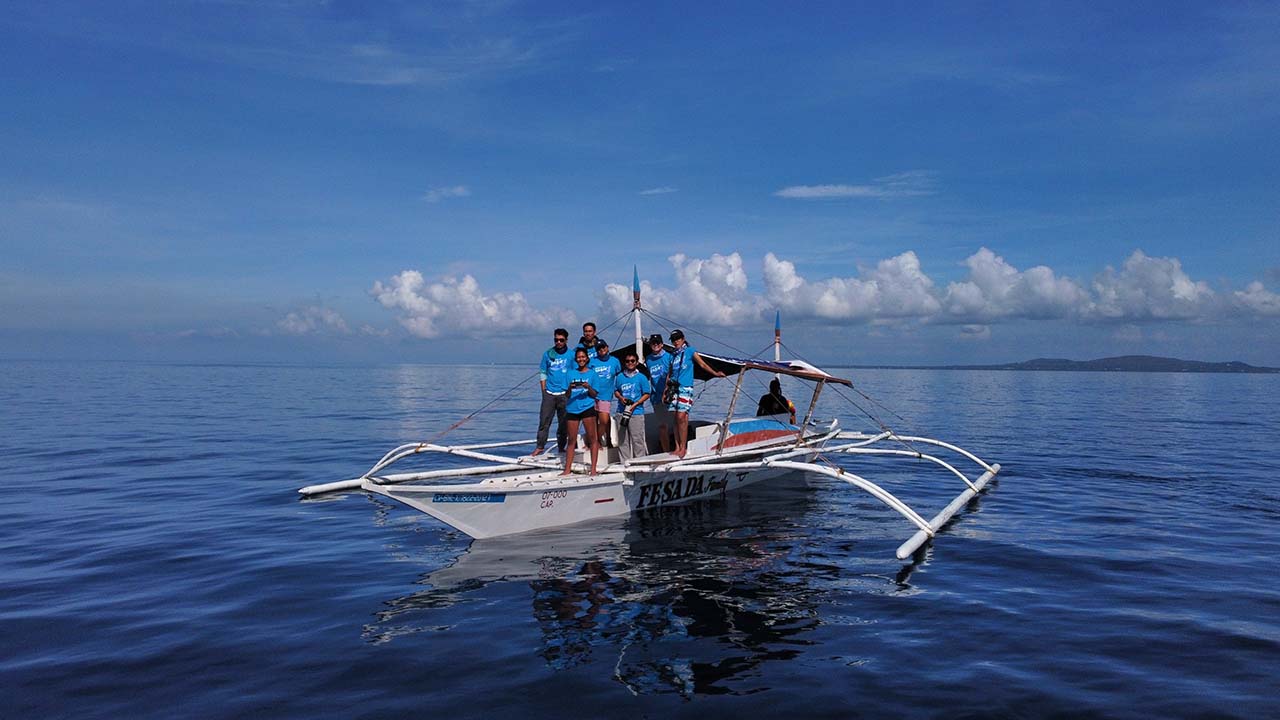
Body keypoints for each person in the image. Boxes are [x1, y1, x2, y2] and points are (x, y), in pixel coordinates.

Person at [663, 329, 725, 458]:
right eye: (674, 340)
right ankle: (677, 446)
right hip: (673, 388)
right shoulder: (672, 355)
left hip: (685, 387)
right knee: (675, 417)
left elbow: (702, 364)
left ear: (683, 339)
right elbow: (670, 373)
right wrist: (665, 390)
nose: (676, 342)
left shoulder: (690, 351)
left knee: (682, 416)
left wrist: (715, 373)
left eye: (678, 339)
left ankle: (683, 447)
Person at [532, 328, 572, 457]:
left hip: (564, 394)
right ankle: (540, 447)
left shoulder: (571, 355)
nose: (558, 342)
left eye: (561, 340)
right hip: (549, 393)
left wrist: (570, 391)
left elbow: (575, 372)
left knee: (563, 424)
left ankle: (561, 447)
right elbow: (543, 372)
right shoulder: (548, 354)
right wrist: (544, 391)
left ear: (566, 340)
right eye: (556, 340)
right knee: (544, 422)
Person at [561, 347, 600, 475]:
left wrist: (588, 387)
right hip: (572, 408)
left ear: (587, 358)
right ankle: (567, 469)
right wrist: (570, 388)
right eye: (579, 357)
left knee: (592, 438)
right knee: (571, 439)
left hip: (587, 407)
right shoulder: (570, 373)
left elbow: (595, 394)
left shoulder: (592, 374)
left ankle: (593, 469)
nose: (581, 359)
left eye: (583, 357)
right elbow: (566, 395)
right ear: (576, 359)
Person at [612, 350, 652, 462]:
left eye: (632, 361)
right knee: (622, 440)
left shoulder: (641, 377)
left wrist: (636, 403)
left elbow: (647, 393)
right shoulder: (619, 377)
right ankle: (625, 462)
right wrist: (621, 398)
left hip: (636, 412)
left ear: (636, 362)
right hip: (621, 411)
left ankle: (640, 462)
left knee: (637, 439)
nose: (630, 363)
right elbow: (616, 391)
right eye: (627, 361)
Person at [644, 334, 674, 453]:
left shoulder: (669, 357)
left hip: (670, 396)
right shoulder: (648, 359)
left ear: (662, 344)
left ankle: (678, 448)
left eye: (657, 343)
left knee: (676, 423)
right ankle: (666, 451)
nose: (655, 345)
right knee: (662, 426)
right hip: (656, 397)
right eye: (653, 343)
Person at [589, 338, 621, 448]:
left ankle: (598, 440)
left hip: (606, 395)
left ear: (607, 347)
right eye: (598, 348)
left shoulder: (615, 361)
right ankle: (604, 441)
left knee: (604, 419)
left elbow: (619, 376)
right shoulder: (592, 361)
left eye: (603, 347)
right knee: (594, 419)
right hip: (592, 395)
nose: (601, 349)